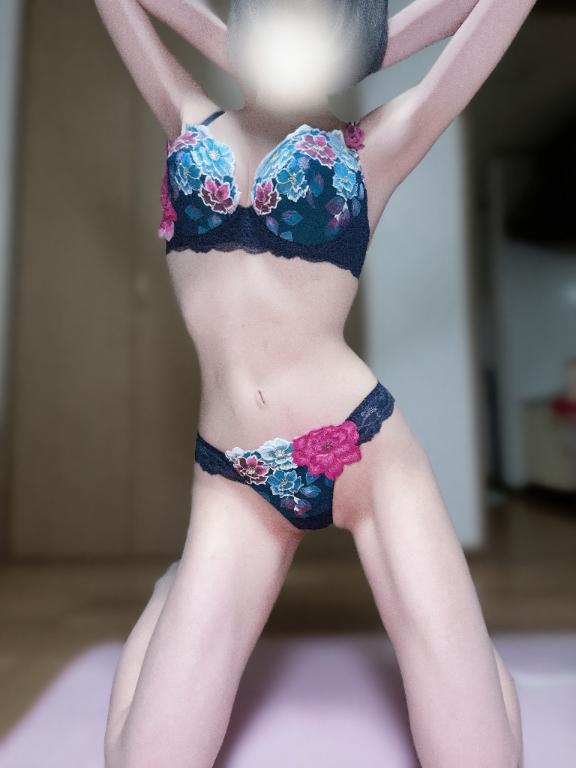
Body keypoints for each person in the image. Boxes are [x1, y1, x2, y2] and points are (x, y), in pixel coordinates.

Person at [94, 1, 536, 766]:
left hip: (366, 454)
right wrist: (232, 44)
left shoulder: (379, 143)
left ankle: (466, 648)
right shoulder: (181, 111)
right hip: (233, 480)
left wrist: (366, 45)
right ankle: (176, 591)